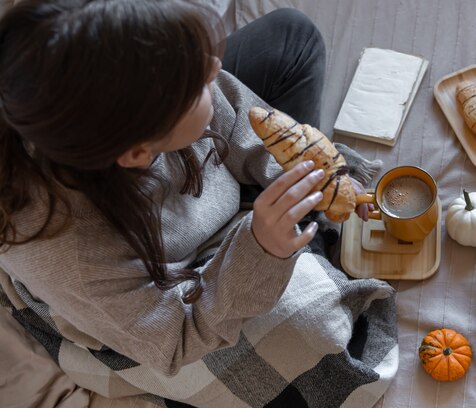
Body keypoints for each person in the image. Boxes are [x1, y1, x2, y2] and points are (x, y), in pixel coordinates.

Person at [0, 1, 398, 407]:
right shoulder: (75, 258)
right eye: (196, 85)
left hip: (187, 175)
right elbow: (176, 338)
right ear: (139, 152)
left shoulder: (156, 92)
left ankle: (282, 224)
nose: (214, 65)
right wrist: (260, 251)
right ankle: (283, 240)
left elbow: (238, 114)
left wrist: (305, 176)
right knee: (314, 333)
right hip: (159, 297)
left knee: (292, 36)